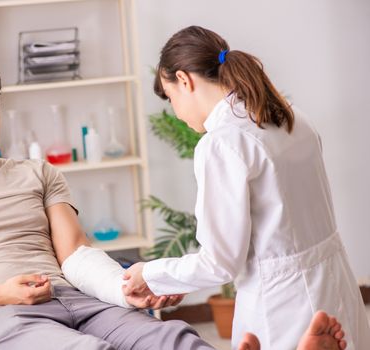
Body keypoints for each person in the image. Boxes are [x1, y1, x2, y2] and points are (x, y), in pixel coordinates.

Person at [0, 54, 214, 350]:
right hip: (0, 317)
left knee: (174, 339)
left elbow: (77, 255)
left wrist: (122, 288)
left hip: (76, 301)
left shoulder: (38, 173)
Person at [122, 25, 370, 349]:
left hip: (282, 305)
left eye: (170, 98)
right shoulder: (292, 117)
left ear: (184, 80)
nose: (177, 114)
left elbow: (220, 262)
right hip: (337, 286)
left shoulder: (223, 143)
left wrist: (149, 274)